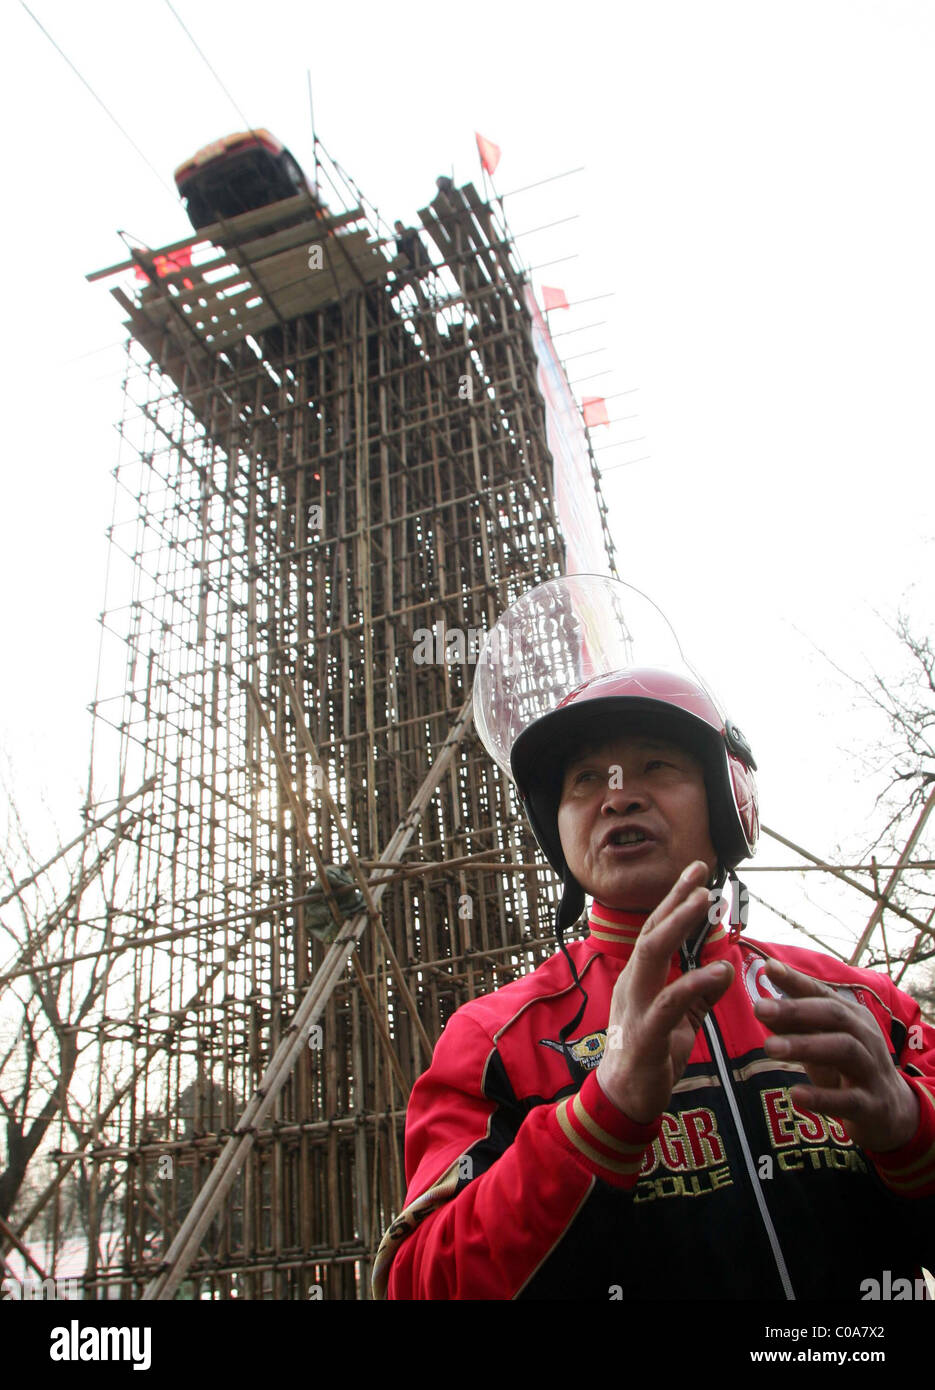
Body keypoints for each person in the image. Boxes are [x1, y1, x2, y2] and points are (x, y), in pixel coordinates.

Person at [371, 581, 935, 1300]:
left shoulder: (856, 1004)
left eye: (655, 766)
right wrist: (597, 1115)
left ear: (729, 797)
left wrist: (908, 1130)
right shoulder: (496, 1040)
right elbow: (422, 1284)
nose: (616, 795)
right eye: (583, 781)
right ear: (557, 831)